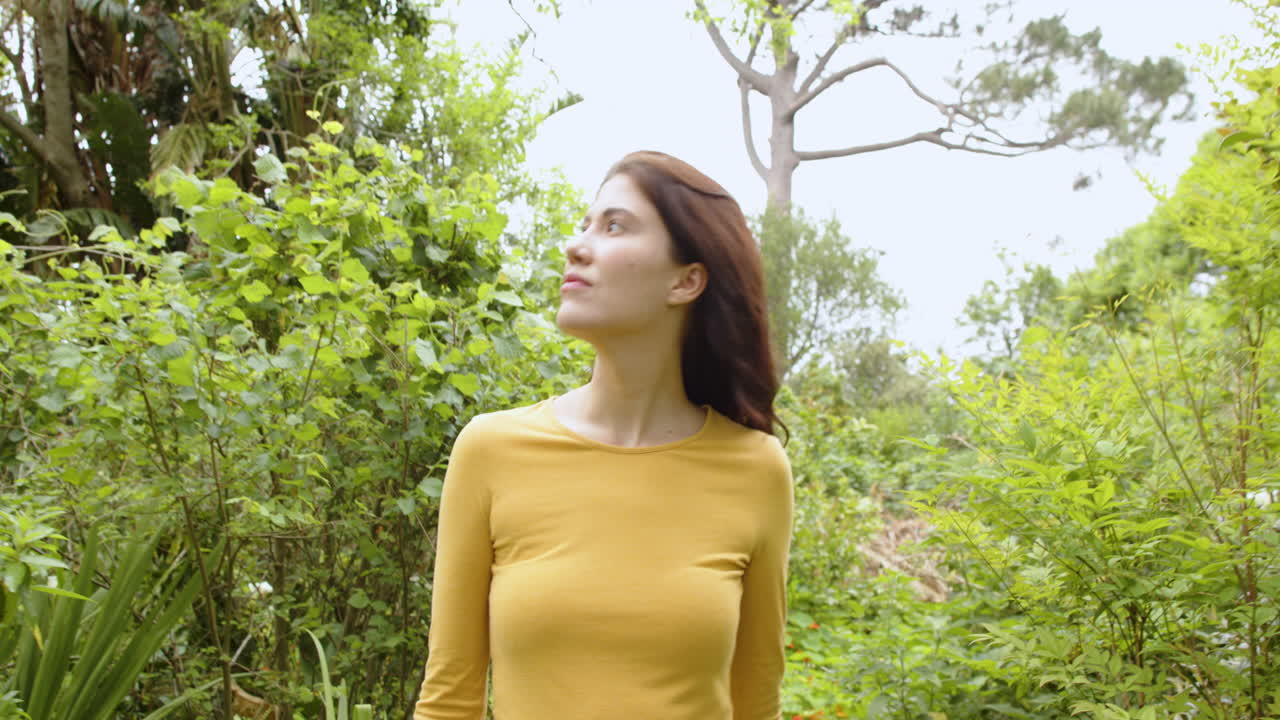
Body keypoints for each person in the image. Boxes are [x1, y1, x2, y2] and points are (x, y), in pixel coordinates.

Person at [412, 151, 794, 720]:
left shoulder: (756, 469)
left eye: (615, 225)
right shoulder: (490, 450)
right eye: (585, 223)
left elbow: (755, 704)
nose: (577, 244)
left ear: (686, 280)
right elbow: (449, 701)